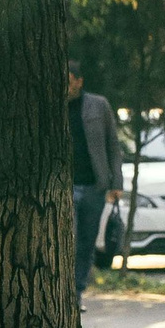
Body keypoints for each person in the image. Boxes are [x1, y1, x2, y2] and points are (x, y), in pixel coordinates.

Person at [69, 63, 121, 296]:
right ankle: (63, 293)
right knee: (67, 240)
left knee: (86, 241)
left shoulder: (98, 106)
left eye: (69, 80)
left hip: (94, 185)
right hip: (65, 187)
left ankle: (77, 292)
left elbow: (113, 145)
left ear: (79, 81)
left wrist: (116, 183)